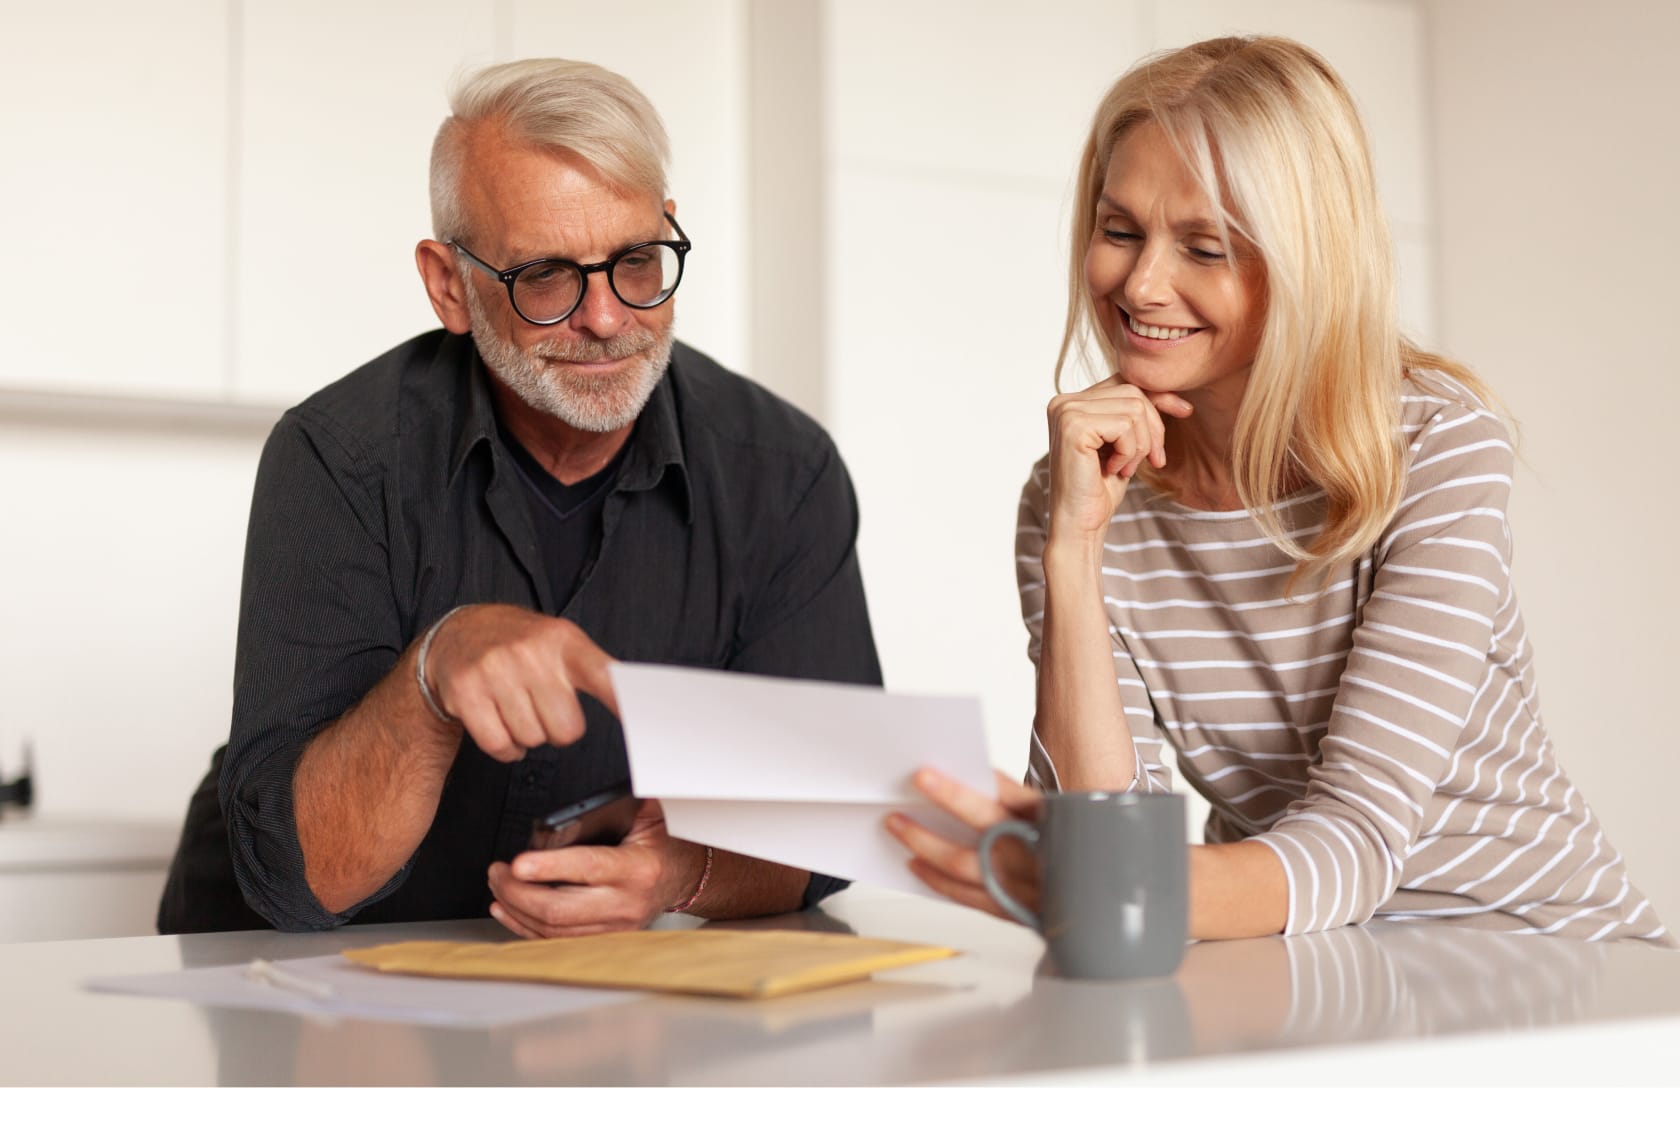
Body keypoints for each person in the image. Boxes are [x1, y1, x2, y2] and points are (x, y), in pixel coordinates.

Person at [888, 35, 1671, 944]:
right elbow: (1107, 833)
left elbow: (1356, 842)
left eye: (1204, 247)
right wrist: (1075, 549)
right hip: (1310, 964)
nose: (1143, 283)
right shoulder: (1079, 487)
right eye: (1120, 230)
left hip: (1547, 957)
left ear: (1306, 263)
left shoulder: (1434, 446)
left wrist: (1103, 880)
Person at [158, 59, 880, 937]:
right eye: (546, 276)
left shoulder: (783, 473)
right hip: (275, 968)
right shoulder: (338, 458)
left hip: (567, 998)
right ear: (448, 286)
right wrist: (433, 673)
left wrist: (674, 873)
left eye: (638, 261)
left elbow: (833, 818)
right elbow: (310, 878)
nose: (608, 318)